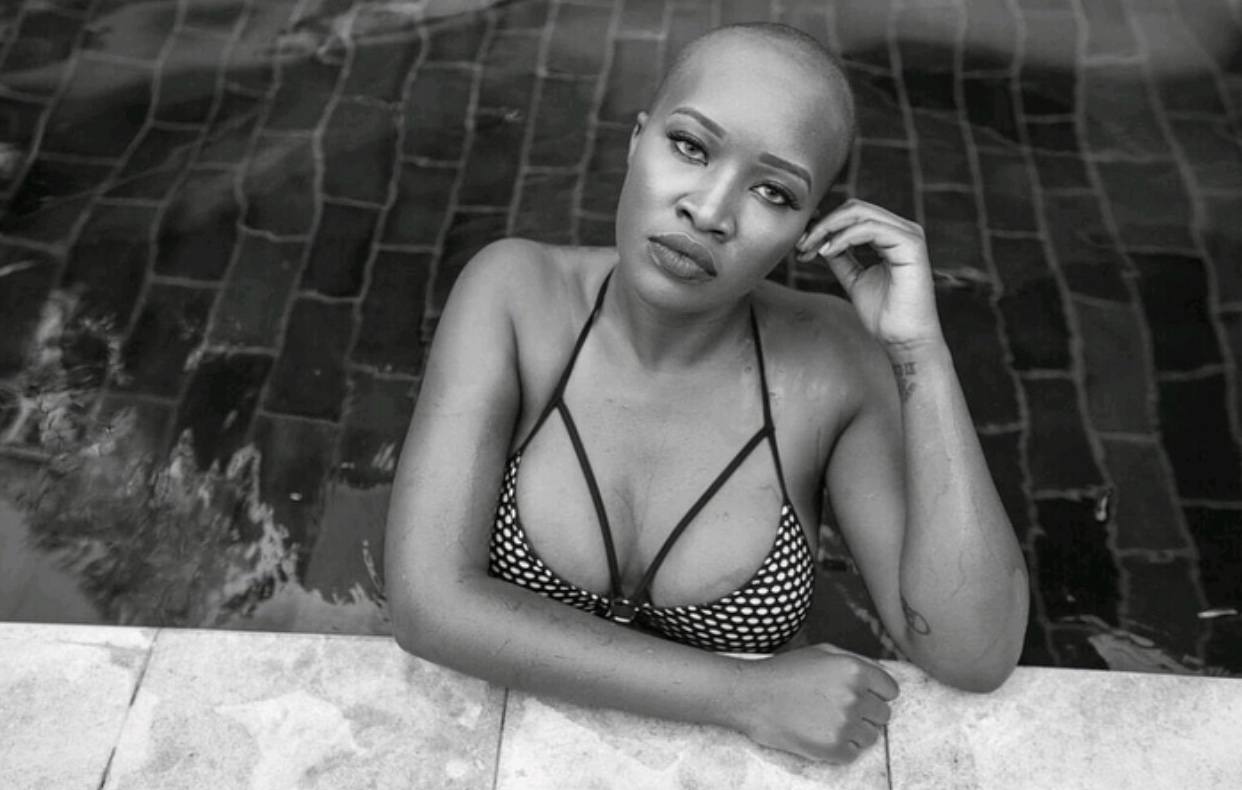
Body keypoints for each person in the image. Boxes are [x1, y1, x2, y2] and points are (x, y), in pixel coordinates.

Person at [384, 22, 1029, 764]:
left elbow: (973, 654)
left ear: (806, 228)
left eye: (773, 191)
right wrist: (741, 695)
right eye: (690, 146)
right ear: (637, 141)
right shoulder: (515, 294)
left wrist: (920, 354)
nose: (712, 211)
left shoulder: (831, 365)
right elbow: (428, 604)